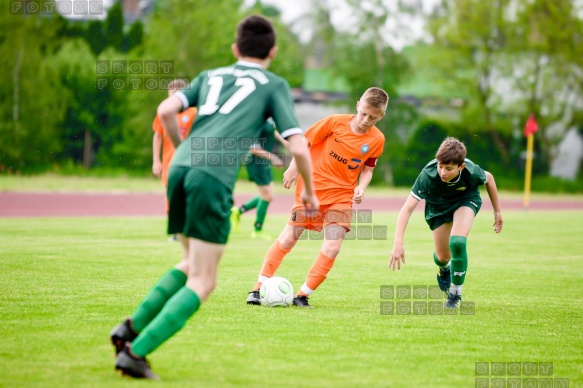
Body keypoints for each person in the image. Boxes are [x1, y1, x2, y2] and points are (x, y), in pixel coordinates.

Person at [109, 15, 318, 379]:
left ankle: (128, 330)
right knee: (205, 281)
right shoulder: (273, 84)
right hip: (211, 177)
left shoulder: (210, 76)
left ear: (234, 49)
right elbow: (299, 146)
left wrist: (183, 151)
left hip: (181, 168)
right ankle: (135, 353)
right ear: (273, 51)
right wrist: (311, 193)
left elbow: (164, 110)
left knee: (191, 265)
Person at [246, 87, 389, 308]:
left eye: (372, 117)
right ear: (358, 105)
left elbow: (368, 168)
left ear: (381, 116)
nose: (365, 120)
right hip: (311, 190)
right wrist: (293, 168)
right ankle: (257, 289)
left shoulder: (377, 139)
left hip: (341, 196)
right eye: (363, 113)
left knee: (332, 247)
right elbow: (304, 142)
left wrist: (362, 186)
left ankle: (302, 295)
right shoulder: (334, 122)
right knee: (289, 238)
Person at [388, 136, 503, 308]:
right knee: (443, 257)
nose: (442, 172)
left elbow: (490, 179)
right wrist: (398, 242)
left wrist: (497, 211)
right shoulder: (428, 175)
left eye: (449, 168)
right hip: (438, 209)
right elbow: (407, 209)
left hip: (466, 200)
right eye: (440, 166)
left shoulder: (470, 171)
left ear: (461, 167)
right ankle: (444, 268)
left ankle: (455, 294)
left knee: (457, 242)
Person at [152, 79, 197, 241]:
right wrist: (155, 161)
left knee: (189, 194)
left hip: (190, 162)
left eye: (179, 93)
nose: (174, 96)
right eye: (172, 93)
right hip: (169, 162)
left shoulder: (193, 112)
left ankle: (189, 228)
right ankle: (177, 231)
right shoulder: (164, 112)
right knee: (171, 196)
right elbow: (157, 135)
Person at [230, 119, 289, 239]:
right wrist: (273, 158)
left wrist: (287, 143)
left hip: (264, 162)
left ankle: (237, 212)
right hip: (256, 162)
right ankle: (257, 229)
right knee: (266, 196)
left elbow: (272, 130)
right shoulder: (255, 119)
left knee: (268, 195)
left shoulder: (268, 117)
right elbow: (254, 148)